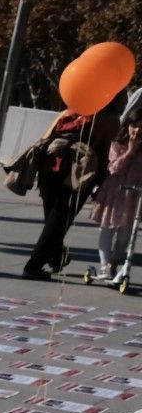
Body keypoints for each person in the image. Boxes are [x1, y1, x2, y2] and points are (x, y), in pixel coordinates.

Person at [23, 102, 119, 281]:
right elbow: (105, 153)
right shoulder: (109, 120)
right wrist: (100, 183)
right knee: (59, 221)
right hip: (76, 175)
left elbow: (46, 138)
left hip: (49, 167)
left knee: (53, 219)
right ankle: (33, 266)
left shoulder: (69, 112)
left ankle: (56, 257)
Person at [86, 117, 141, 286]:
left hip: (134, 193)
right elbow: (113, 168)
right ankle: (104, 267)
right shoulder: (118, 143)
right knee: (108, 228)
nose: (137, 131)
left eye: (141, 127)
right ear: (128, 126)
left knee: (127, 232)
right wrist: (130, 152)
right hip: (115, 190)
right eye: (134, 126)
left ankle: (114, 263)